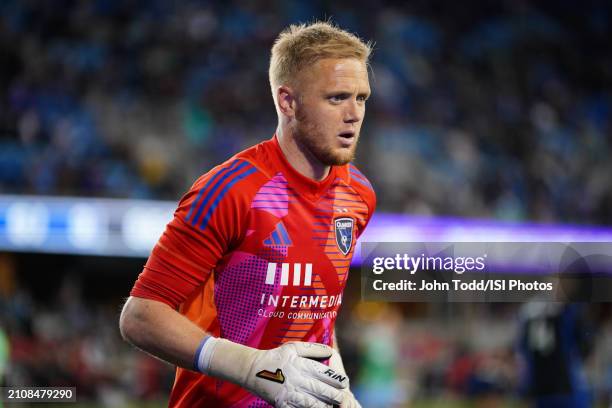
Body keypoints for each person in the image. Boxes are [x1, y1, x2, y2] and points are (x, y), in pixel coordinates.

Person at [120, 21, 376, 408]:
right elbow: (140, 317)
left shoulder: (359, 195)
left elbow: (316, 308)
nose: (354, 114)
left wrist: (334, 379)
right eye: (337, 98)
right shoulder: (231, 190)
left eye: (361, 98)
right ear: (288, 101)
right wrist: (248, 366)